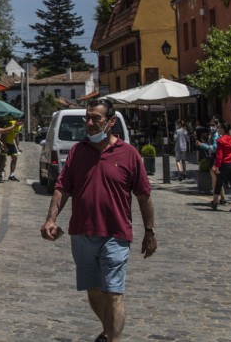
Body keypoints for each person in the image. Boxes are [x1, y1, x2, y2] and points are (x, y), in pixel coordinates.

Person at [41, 98, 156, 342]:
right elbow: (62, 188)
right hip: (81, 233)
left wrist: (149, 231)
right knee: (93, 290)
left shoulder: (129, 154)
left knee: (114, 292)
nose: (90, 123)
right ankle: (108, 331)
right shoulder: (77, 151)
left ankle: (113, 339)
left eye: (96, 119)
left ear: (111, 122)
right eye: (88, 118)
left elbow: (143, 195)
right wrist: (51, 219)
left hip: (116, 233)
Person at [211, 122, 231, 213]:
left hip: (225, 164)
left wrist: (217, 166)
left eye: (220, 128)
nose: (219, 129)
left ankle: (215, 203)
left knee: (219, 184)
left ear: (223, 129)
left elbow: (219, 155)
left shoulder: (220, 140)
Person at [0, 117, 24, 181]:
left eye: (22, 121)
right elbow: (4, 134)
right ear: (16, 120)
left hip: (11, 143)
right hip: (5, 142)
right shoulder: (10, 123)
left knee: (15, 157)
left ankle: (12, 175)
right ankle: (0, 174)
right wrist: (4, 146)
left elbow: (16, 136)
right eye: (19, 121)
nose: (20, 122)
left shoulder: (20, 126)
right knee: (3, 158)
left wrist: (18, 146)